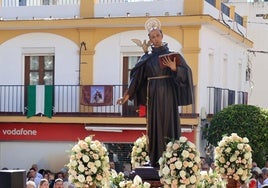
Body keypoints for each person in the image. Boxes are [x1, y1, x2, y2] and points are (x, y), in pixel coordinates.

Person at [117, 18, 194, 168]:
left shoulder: (173, 55)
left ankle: (172, 156)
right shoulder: (146, 58)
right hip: (152, 96)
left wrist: (174, 68)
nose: (155, 39)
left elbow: (187, 73)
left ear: (162, 36)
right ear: (150, 39)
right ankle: (155, 158)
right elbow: (136, 78)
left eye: (157, 36)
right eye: (152, 37)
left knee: (169, 123)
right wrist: (126, 95)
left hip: (169, 94)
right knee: (154, 125)